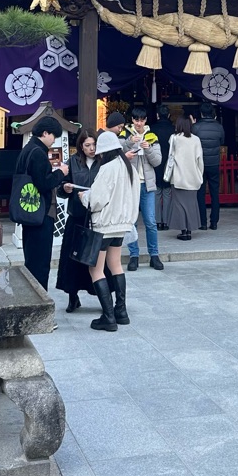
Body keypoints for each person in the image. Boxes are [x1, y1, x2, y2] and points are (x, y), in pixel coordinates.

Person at [79, 130, 141, 331]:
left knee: (95, 269)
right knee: (116, 265)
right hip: (122, 224)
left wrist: (84, 198)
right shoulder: (128, 167)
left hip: (104, 224)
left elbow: (96, 199)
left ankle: (108, 317)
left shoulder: (107, 169)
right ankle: (121, 311)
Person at [107, 109, 164, 272]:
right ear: (132, 120)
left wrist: (148, 149)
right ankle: (134, 256)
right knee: (130, 222)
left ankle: (154, 255)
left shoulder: (152, 137)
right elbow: (115, 154)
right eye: (136, 120)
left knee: (151, 222)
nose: (139, 123)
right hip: (130, 185)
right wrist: (130, 142)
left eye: (142, 120)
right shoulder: (124, 135)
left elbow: (158, 161)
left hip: (147, 185)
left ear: (146, 120)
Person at [17, 115, 69, 289]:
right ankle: (40, 302)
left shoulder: (27, 149)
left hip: (28, 211)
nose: (54, 141)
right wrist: (61, 172)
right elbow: (44, 183)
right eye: (53, 136)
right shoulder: (38, 153)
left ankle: (31, 296)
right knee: (40, 262)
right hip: (41, 213)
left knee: (31, 258)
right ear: (45, 133)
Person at [56, 129, 99, 313]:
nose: (91, 149)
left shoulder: (103, 161)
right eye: (87, 145)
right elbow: (60, 189)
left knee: (98, 259)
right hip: (77, 215)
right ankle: (73, 297)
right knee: (72, 259)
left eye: (94, 145)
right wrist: (65, 188)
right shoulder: (73, 162)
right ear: (80, 146)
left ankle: (105, 296)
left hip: (97, 217)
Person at [167, 116, 204, 241]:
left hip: (178, 177)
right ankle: (189, 230)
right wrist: (200, 175)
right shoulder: (196, 140)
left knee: (179, 205)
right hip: (193, 176)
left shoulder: (174, 138)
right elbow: (200, 160)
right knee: (191, 204)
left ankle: (183, 230)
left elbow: (170, 157)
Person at [193, 102, 224, 230]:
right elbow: (222, 142)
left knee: (200, 193)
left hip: (200, 164)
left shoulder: (196, 127)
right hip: (214, 162)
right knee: (214, 192)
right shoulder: (219, 127)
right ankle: (214, 222)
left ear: (201, 113)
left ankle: (203, 222)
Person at [153, 105, 174, 230]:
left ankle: (157, 221)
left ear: (157, 115)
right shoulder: (173, 130)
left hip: (155, 163)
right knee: (167, 193)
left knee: (156, 193)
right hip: (169, 164)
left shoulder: (152, 129)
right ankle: (166, 221)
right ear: (169, 116)